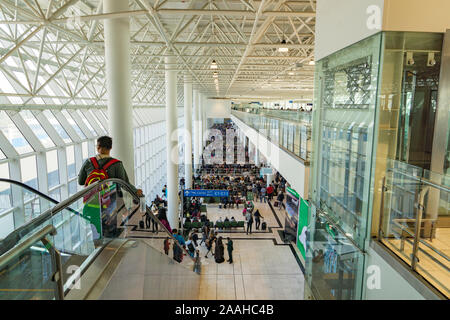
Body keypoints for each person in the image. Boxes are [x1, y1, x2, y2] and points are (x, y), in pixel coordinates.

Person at [78, 136, 143, 239]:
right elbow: (125, 183)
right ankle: (112, 248)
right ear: (110, 148)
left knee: (95, 229)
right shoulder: (116, 164)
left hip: (92, 204)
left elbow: (81, 181)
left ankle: (98, 248)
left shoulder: (89, 162)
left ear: (97, 147)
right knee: (111, 230)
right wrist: (136, 191)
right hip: (110, 204)